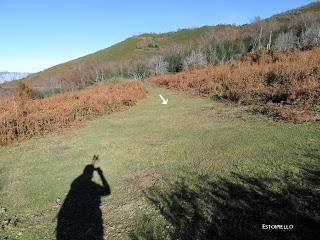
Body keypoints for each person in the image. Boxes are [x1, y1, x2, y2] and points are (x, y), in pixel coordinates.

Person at [56, 164, 111, 240]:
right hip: (88, 219)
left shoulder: (75, 182)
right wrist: (101, 174)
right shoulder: (91, 185)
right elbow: (107, 191)